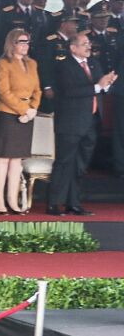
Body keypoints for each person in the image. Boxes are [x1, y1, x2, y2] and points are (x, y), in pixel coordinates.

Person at [47, 33, 116, 215]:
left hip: (90, 122)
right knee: (64, 163)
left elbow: (100, 89)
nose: (88, 47)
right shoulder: (64, 65)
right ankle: (54, 202)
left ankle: (73, 203)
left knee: (80, 165)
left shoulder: (94, 63)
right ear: (73, 47)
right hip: (70, 123)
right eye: (84, 44)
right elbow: (70, 91)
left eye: (89, 43)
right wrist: (98, 86)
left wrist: (107, 84)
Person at [0, 28, 41, 214]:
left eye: (27, 42)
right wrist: (24, 110)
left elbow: (37, 89)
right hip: (7, 114)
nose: (25, 45)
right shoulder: (3, 63)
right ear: (12, 43)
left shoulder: (32, 64)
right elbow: (3, 92)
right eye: (21, 41)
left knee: (17, 160)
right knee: (3, 158)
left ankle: (12, 199)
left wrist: (33, 109)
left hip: (27, 114)